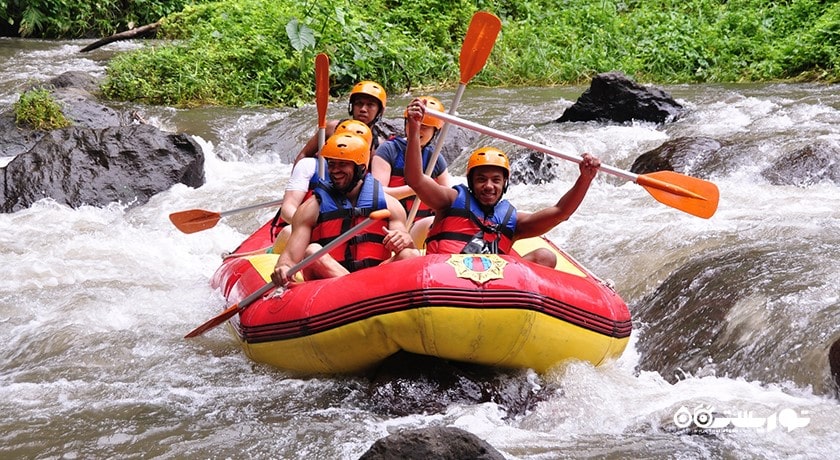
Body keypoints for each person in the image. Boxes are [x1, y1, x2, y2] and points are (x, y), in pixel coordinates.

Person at [403, 97, 601, 268]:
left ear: (505, 183)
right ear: (470, 183)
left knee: (544, 256)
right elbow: (416, 179)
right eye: (481, 179)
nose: (489, 186)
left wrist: (585, 178)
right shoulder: (450, 201)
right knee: (406, 256)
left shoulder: (513, 221)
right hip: (443, 281)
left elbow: (561, 213)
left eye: (496, 180)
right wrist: (414, 130)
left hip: (495, 292)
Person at [271, 132, 418, 285]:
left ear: (361, 168)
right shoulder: (311, 208)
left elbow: (406, 244)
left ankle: (362, 292)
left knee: (410, 254)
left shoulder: (390, 206)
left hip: (375, 280)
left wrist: (405, 240)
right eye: (332, 164)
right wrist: (283, 267)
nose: (335, 170)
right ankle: (358, 290)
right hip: (330, 285)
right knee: (313, 251)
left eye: (343, 164)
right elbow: (289, 259)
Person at [371, 96, 452, 249]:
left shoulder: (435, 158)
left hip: (420, 227)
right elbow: (377, 193)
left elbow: (448, 199)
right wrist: (418, 187)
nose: (419, 130)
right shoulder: (388, 150)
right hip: (392, 224)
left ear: (435, 131)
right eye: (415, 124)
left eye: (425, 127)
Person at [293, 80, 387, 164]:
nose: (363, 109)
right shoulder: (331, 128)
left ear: (379, 111)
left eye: (370, 105)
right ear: (352, 106)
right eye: (359, 103)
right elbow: (303, 155)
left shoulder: (378, 146)